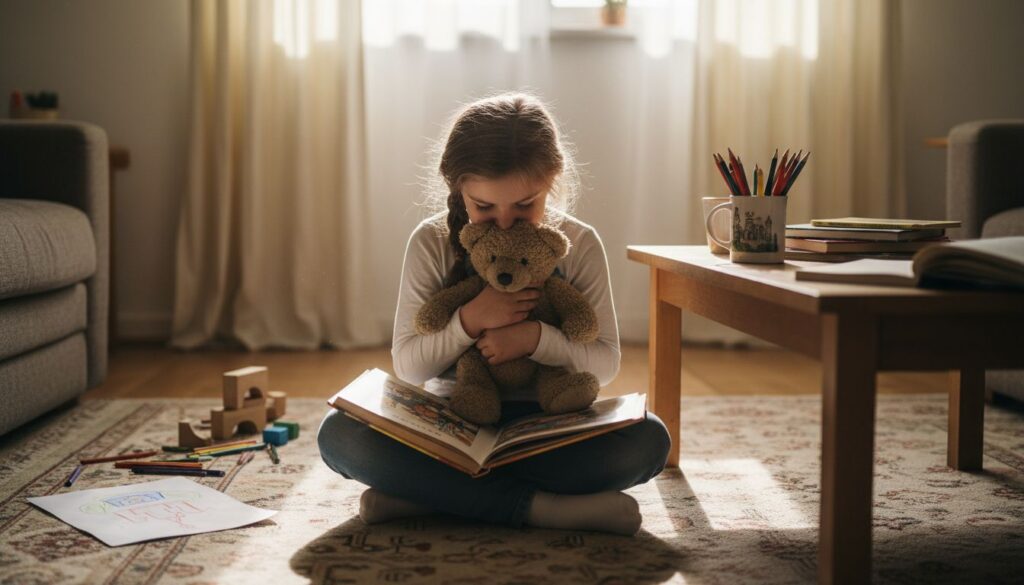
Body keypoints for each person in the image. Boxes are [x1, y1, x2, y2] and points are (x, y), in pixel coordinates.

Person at [317, 93, 670, 536]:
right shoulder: (430, 242)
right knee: (340, 434)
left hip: (549, 426)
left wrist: (535, 339)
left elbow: (606, 363)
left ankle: (429, 496)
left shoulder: (577, 243)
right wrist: (470, 320)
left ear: (552, 182)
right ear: (458, 190)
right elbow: (411, 366)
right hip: (451, 421)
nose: (505, 223)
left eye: (525, 205)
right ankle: (542, 509)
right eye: (484, 207)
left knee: (648, 440)